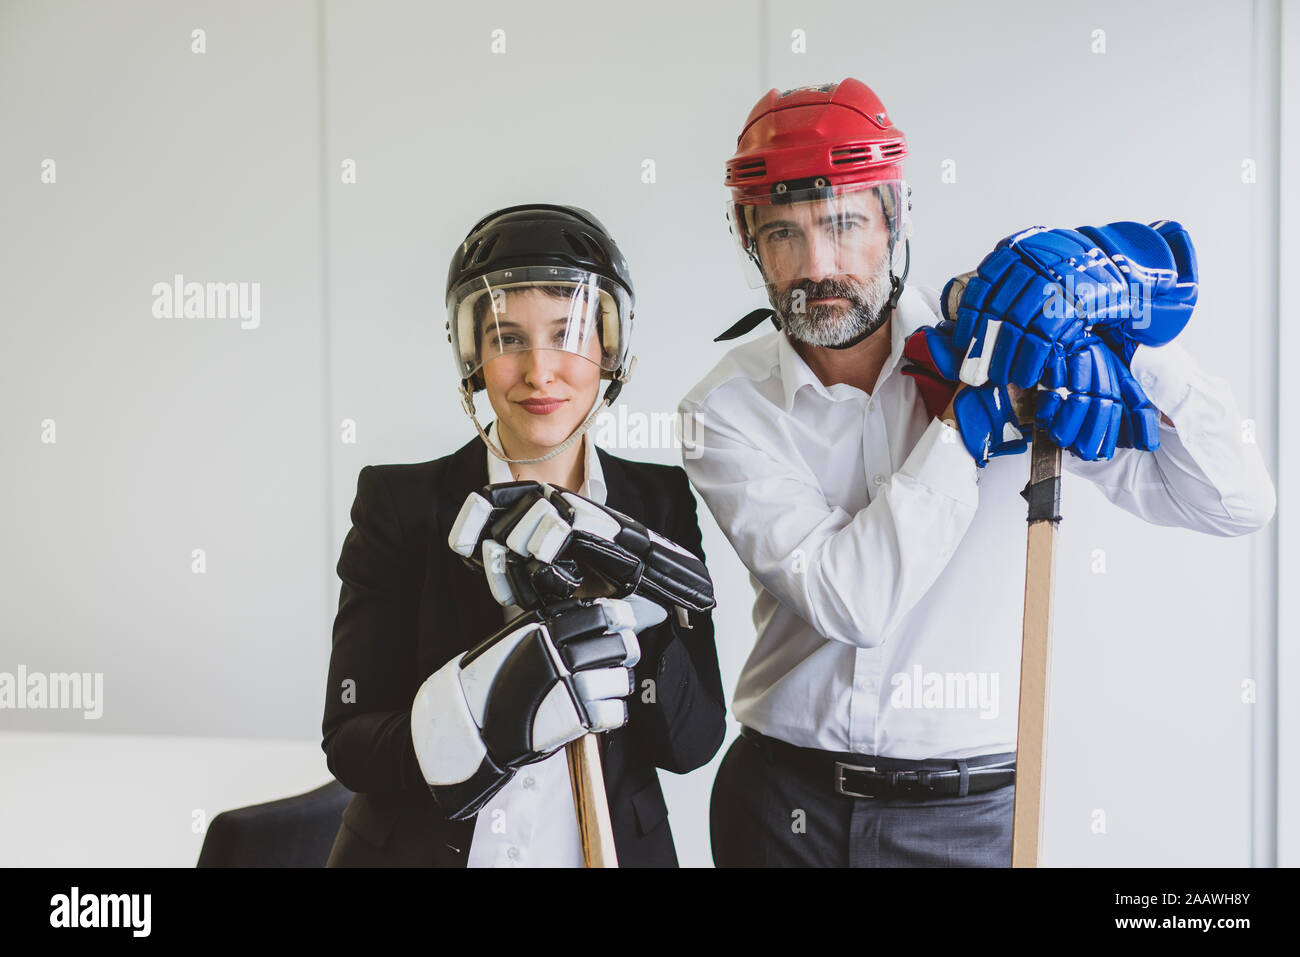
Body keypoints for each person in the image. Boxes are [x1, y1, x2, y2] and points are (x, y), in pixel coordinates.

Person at [678, 79, 1277, 867]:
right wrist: (966, 424)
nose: (817, 265)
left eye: (844, 223)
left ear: (895, 219)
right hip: (785, 810)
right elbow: (851, 599)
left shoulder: (1021, 352)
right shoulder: (724, 409)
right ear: (749, 239)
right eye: (784, 233)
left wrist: (1125, 335)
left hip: (971, 822)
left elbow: (1238, 502)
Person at [321, 204, 726, 867]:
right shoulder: (399, 503)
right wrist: (476, 720)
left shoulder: (657, 501)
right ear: (474, 356)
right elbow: (350, 736)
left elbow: (694, 742)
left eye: (567, 334)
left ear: (609, 347)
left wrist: (635, 609)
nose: (540, 371)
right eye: (507, 338)